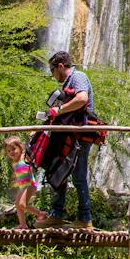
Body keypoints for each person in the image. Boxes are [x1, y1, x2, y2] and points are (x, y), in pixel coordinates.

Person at [45, 51, 95, 228]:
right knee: (59, 170)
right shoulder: (68, 82)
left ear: (60, 66)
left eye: (52, 70)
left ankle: (85, 219)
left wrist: (58, 110)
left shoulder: (78, 76)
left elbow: (82, 98)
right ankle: (56, 214)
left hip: (79, 135)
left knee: (78, 174)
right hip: (68, 133)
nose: (52, 75)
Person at [3, 136, 37, 229]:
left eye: (13, 149)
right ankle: (23, 224)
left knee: (22, 204)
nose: (11, 152)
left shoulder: (23, 156)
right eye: (8, 151)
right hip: (22, 186)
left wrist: (32, 137)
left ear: (20, 148)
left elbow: (29, 151)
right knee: (17, 205)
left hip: (30, 185)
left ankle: (40, 213)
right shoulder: (14, 161)